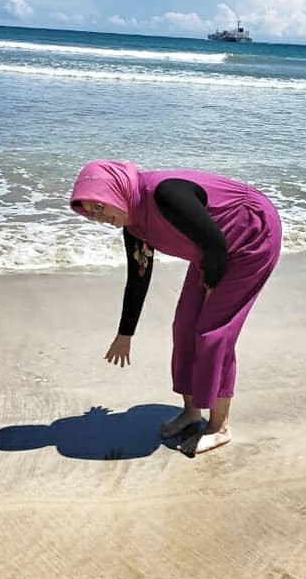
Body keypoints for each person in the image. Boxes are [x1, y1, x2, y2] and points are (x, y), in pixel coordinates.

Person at [69, 160, 282, 455]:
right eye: (90, 213)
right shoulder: (134, 226)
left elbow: (217, 248)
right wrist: (125, 333)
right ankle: (191, 411)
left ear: (115, 190)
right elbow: (138, 277)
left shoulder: (165, 195)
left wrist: (211, 284)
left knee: (212, 333)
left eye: (99, 207)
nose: (99, 217)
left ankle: (219, 427)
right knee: (184, 326)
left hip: (251, 235)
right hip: (211, 247)